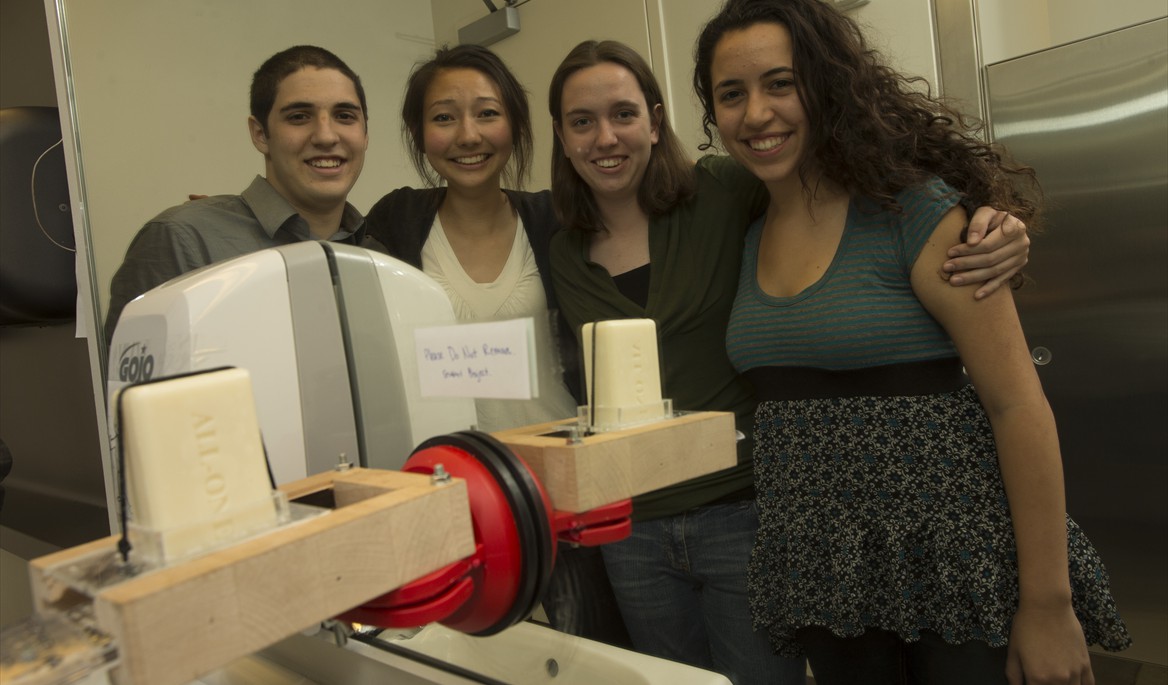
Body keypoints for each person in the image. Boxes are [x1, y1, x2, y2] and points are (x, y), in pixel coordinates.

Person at [547, 39, 1031, 685]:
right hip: (634, 525)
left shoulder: (721, 189)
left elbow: (844, 175)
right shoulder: (559, 249)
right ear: (561, 133)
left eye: (624, 114)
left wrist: (989, 215)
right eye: (582, 121)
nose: (605, 137)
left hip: (747, 507)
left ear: (656, 121)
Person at [693, 0, 1131, 683]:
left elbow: (1019, 406)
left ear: (826, 84)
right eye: (731, 94)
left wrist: (1049, 604)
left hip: (958, 568)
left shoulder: (913, 211)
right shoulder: (746, 227)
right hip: (826, 578)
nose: (756, 114)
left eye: (781, 83)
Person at [361, 44, 631, 648]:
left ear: (515, 123)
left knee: (585, 656)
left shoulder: (554, 219)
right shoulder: (396, 223)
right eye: (443, 117)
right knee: (471, 658)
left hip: (559, 492)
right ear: (418, 133)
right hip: (450, 495)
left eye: (486, 113)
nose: (467, 135)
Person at [104, 45, 370, 344]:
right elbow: (138, 387)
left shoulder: (377, 254)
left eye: (345, 116)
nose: (326, 136)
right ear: (260, 134)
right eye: (298, 117)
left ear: (365, 135)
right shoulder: (183, 240)